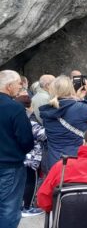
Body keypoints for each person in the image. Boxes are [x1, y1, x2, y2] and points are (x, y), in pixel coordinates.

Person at [39, 76, 87, 172]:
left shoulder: (47, 110)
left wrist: (77, 99)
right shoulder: (78, 108)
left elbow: (66, 110)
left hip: (54, 160)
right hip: (75, 158)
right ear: (71, 89)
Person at [0, 70, 35, 227]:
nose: (20, 87)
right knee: (9, 208)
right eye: (18, 84)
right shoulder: (14, 108)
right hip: (10, 165)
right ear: (9, 86)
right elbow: (26, 140)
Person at [16, 94, 46, 217]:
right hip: (30, 158)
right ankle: (27, 207)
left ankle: (19, 206)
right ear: (30, 107)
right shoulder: (30, 122)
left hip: (17, 158)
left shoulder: (13, 119)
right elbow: (43, 135)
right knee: (30, 183)